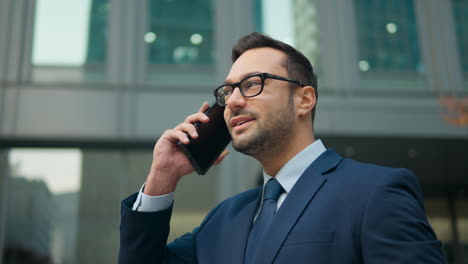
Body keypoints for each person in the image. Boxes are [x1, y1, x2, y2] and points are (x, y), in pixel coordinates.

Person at [119, 32, 446, 264]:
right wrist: (163, 175)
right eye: (228, 90)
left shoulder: (375, 192)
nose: (232, 101)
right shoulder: (224, 218)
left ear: (304, 99)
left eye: (252, 84)